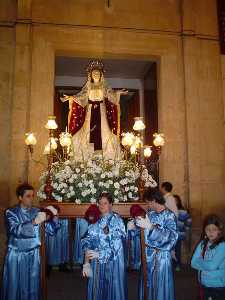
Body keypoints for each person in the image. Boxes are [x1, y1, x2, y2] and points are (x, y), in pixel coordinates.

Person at [1, 183, 59, 300]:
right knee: (15, 283)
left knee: (32, 284)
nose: (31, 198)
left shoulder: (37, 211)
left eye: (32, 196)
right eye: (28, 196)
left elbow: (50, 231)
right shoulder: (11, 212)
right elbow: (15, 230)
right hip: (17, 254)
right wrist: (34, 222)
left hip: (34, 254)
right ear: (20, 197)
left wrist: (54, 218)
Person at [61, 60, 127, 160]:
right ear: (90, 75)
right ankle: (86, 153)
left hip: (101, 110)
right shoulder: (88, 86)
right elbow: (81, 97)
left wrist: (118, 93)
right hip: (90, 111)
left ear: (101, 75)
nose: (96, 74)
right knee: (86, 131)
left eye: (98, 73)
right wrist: (71, 98)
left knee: (105, 130)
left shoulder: (104, 87)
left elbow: (111, 95)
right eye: (94, 73)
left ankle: (108, 154)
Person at [81, 192, 127, 300]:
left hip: (112, 262)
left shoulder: (117, 220)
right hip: (96, 262)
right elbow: (87, 240)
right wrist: (86, 263)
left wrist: (100, 254)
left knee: (111, 291)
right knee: (96, 290)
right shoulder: (95, 219)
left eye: (105, 203)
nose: (101, 206)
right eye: (100, 203)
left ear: (111, 204)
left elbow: (117, 245)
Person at [136, 189, 178, 300]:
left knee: (159, 288)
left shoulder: (169, 216)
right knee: (147, 287)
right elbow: (143, 235)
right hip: (148, 256)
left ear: (154, 200)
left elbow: (171, 238)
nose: (147, 205)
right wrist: (135, 228)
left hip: (161, 258)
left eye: (148, 202)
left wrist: (151, 228)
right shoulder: (150, 214)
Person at [191, 214, 225, 300]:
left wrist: (200, 263)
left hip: (217, 286)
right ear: (204, 231)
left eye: (214, 229)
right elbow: (193, 263)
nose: (211, 232)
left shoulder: (222, 246)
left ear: (219, 231)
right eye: (208, 229)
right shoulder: (202, 244)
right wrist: (207, 266)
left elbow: (212, 266)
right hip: (203, 285)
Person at [173, 194, 192, 271]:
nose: (174, 202)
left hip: (178, 234)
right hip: (170, 234)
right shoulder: (168, 210)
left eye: (175, 200)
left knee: (177, 250)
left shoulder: (183, 211)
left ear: (178, 201)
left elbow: (189, 221)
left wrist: (186, 230)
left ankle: (177, 265)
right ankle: (172, 264)